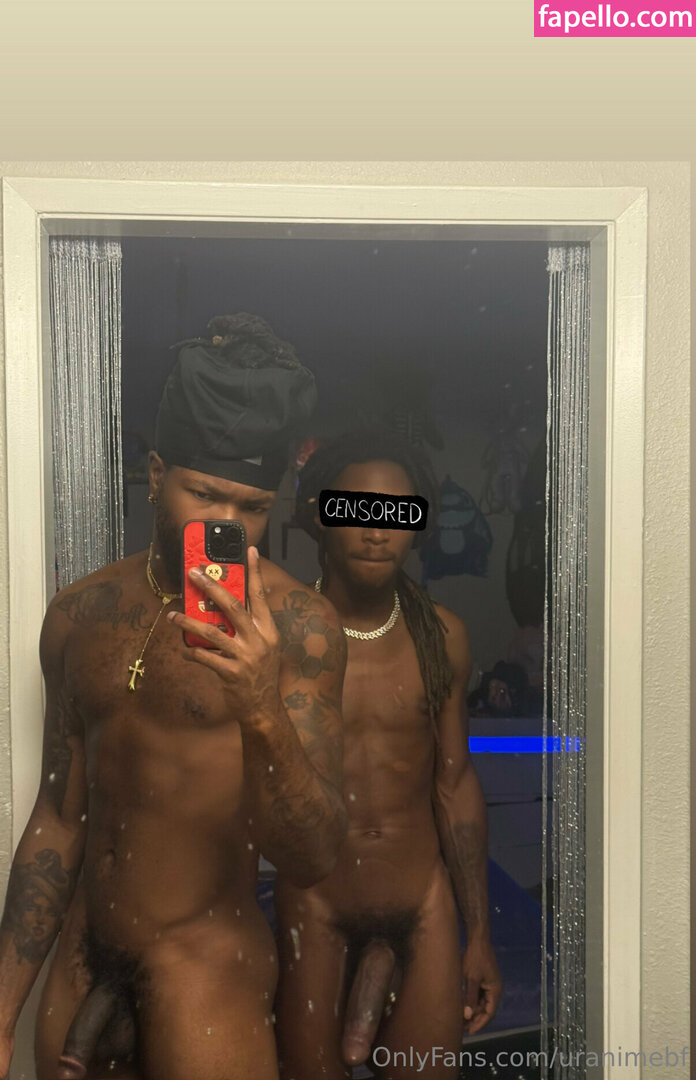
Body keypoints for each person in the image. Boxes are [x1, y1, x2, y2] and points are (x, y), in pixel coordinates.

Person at [0, 314, 347, 1080]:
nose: (228, 525)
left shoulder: (301, 628)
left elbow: (315, 855)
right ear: (156, 475)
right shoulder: (81, 614)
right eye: (205, 494)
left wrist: (261, 707)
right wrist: (2, 1007)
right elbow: (59, 817)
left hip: (205, 972)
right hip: (81, 963)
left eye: (252, 507)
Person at [274, 429, 502, 1080]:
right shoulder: (283, 635)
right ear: (320, 515)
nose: (377, 532)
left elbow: (455, 783)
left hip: (421, 905)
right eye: (357, 510)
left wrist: (478, 934)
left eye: (397, 514)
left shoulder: (443, 636)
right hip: (317, 905)